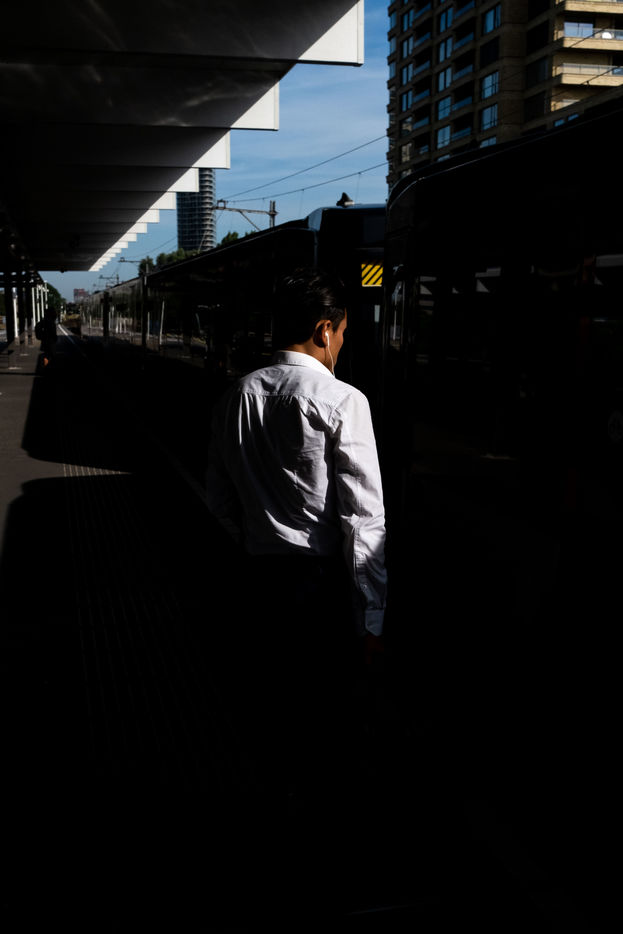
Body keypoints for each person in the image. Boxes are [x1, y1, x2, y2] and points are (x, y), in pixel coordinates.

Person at [205, 267, 387, 796]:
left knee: (267, 717)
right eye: (343, 333)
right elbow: (363, 522)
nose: (342, 345)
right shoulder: (343, 400)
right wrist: (371, 616)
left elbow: (219, 501)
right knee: (324, 725)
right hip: (319, 589)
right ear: (324, 329)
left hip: (254, 580)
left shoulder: (235, 396)